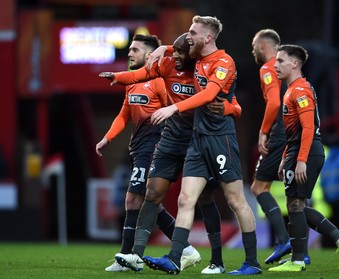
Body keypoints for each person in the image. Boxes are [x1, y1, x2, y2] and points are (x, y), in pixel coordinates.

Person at [99, 32, 242, 274]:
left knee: (205, 199)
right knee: (151, 193)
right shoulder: (166, 65)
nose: (175, 56)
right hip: (170, 139)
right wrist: (118, 76)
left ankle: (216, 260)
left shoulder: (204, 70)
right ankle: (135, 254)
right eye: (172, 52)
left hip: (198, 140)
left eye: (180, 53)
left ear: (193, 54)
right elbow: (140, 75)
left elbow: (234, 104)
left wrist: (227, 107)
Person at [139, 15, 261, 275]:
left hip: (221, 140)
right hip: (197, 139)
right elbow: (180, 48)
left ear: (208, 37)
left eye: (194, 32)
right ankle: (174, 259)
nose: (189, 35)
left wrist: (174, 107)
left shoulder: (224, 62)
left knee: (235, 200)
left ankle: (251, 262)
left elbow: (208, 94)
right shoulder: (195, 57)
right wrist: (164, 48)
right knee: (185, 200)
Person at [96, 34, 198, 272]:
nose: (129, 53)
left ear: (149, 54)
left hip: (155, 145)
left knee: (134, 198)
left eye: (134, 50)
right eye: (129, 49)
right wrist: (107, 138)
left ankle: (127, 255)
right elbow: (124, 115)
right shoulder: (132, 82)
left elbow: (174, 110)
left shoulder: (160, 81)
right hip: (138, 147)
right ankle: (185, 248)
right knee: (147, 201)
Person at [268, 44, 339, 272]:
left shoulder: (300, 90)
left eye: (281, 61)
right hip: (298, 151)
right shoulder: (292, 89)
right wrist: (285, 157)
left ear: (295, 64)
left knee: (296, 204)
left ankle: (297, 261)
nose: (275, 65)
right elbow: (294, 133)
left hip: (307, 151)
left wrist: (301, 160)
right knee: (295, 205)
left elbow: (308, 129)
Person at [250, 28, 312, 265]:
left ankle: (285, 240)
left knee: (259, 187)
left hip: (280, 132)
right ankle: (303, 252)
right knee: (296, 199)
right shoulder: (293, 74)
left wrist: (264, 131)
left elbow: (275, 102)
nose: (253, 50)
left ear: (264, 46)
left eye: (254, 46)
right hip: (294, 133)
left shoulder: (268, 68)